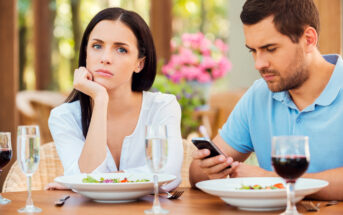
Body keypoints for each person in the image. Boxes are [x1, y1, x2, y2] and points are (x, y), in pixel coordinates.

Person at [190, 0, 343, 200]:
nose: (259, 64)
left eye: (270, 49)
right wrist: (209, 169)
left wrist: (275, 181)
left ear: (308, 39)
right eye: (253, 51)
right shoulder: (259, 95)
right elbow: (195, 175)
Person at [48, 7, 183, 191]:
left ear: (139, 63)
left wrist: (106, 180)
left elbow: (170, 176)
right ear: (85, 53)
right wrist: (100, 99)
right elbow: (85, 181)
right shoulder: (63, 117)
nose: (105, 58)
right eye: (97, 46)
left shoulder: (163, 107)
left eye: (121, 49)